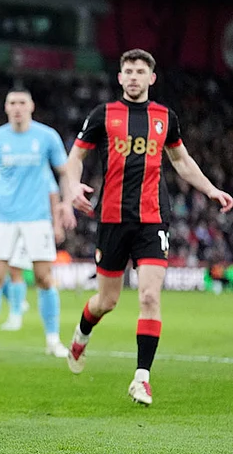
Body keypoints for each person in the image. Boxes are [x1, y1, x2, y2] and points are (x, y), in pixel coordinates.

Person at [65, 48, 232, 406]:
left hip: (154, 217)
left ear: (152, 78)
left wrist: (211, 189)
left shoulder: (164, 117)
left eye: (141, 71)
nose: (135, 76)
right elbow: (75, 157)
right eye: (129, 71)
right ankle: (81, 336)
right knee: (106, 301)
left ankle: (142, 378)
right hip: (111, 218)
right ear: (120, 77)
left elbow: (182, 161)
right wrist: (73, 186)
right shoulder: (103, 115)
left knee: (150, 296)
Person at [0, 88, 76, 358]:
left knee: (44, 278)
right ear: (6, 107)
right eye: (12, 102)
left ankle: (53, 340)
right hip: (3, 218)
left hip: (37, 219)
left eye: (22, 102)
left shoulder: (47, 137)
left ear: (32, 106)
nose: (17, 107)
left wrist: (65, 203)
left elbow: (65, 172)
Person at [0, 169, 64, 332]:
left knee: (17, 271)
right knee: (1, 271)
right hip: (11, 224)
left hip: (34, 225)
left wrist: (57, 225)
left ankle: (16, 316)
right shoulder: (11, 173)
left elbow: (53, 197)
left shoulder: (41, 173)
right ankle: (18, 304)